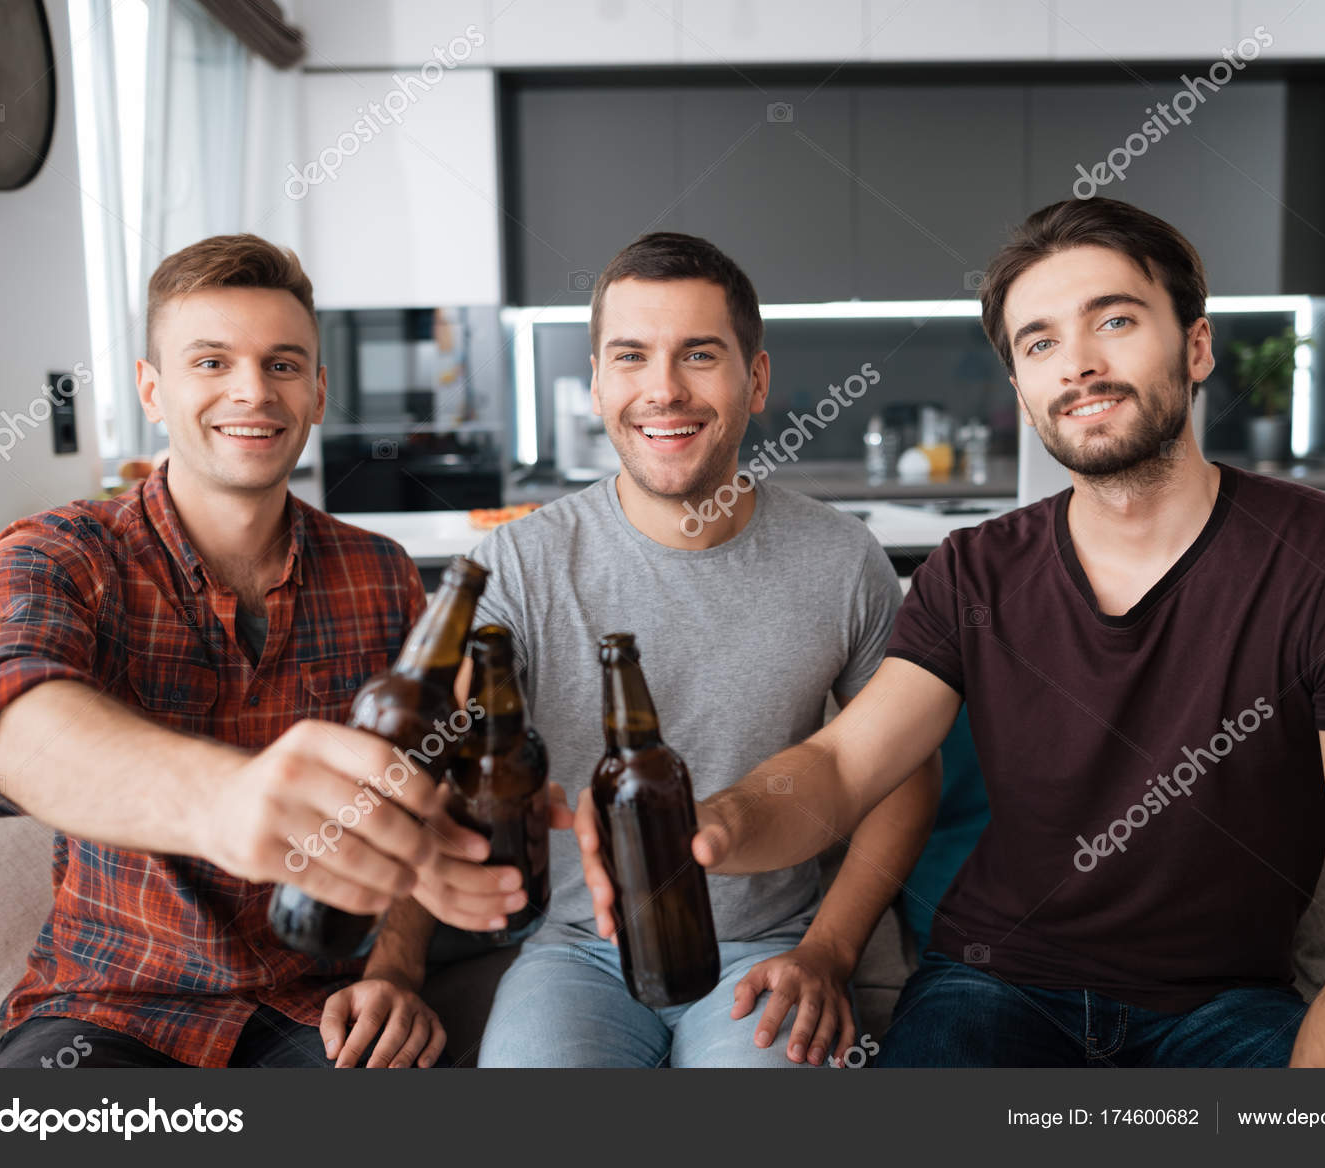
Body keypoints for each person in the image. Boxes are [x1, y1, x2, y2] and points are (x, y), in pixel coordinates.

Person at [606, 198, 1325, 1068]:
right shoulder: (974, 573)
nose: (1081, 366)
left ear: (1197, 346)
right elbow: (839, 768)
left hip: (1226, 1007)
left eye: (1118, 320)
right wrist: (714, 823)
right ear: (1023, 393)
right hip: (992, 986)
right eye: (1042, 343)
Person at [0, 234, 549, 1069]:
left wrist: (397, 970)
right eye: (212, 362)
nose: (253, 392)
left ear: (319, 390)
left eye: (284, 364)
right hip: (110, 1008)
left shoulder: (383, 575)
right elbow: (8, 726)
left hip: (323, 1010)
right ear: (153, 388)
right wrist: (221, 800)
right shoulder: (60, 554)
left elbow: (417, 792)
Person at [371, 232, 941, 1068]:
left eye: (699, 355)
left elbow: (901, 771)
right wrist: (395, 960)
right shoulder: (517, 566)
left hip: (765, 943)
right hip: (577, 951)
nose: (663, 391)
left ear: (757, 379)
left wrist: (830, 950)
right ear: (598, 382)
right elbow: (429, 765)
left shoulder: (841, 558)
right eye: (631, 356)